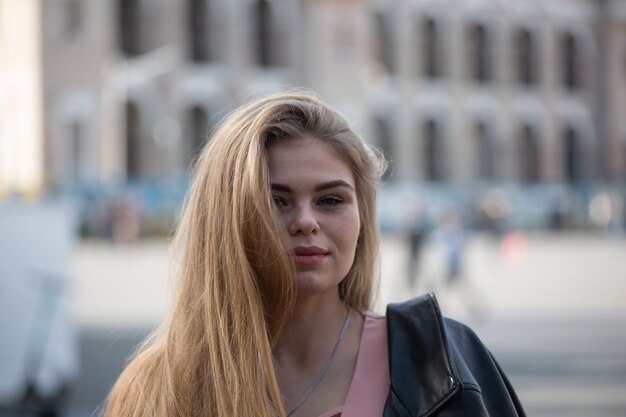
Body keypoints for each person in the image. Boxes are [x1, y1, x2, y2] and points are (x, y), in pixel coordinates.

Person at [104, 90, 525, 417]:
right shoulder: (155, 386)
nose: (305, 221)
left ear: (363, 216)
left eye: (330, 200)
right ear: (225, 219)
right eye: (276, 201)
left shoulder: (441, 363)